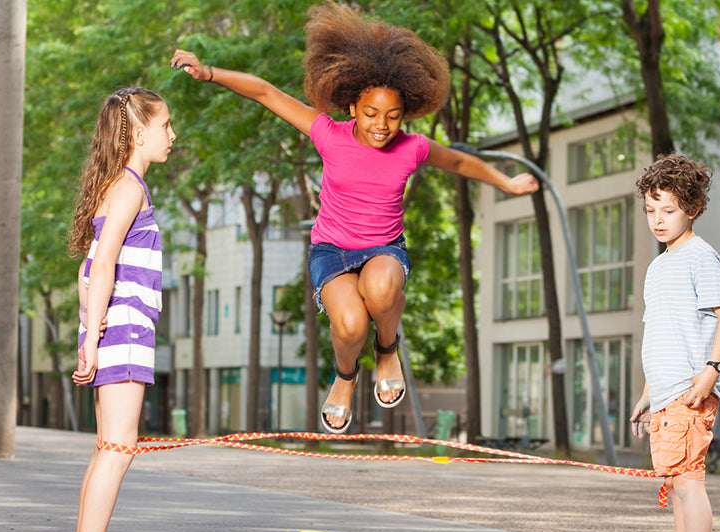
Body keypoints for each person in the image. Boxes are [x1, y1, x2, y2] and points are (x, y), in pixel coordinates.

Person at [170, 1, 538, 434]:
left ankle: (387, 350)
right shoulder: (328, 134)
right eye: (371, 113)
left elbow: (459, 163)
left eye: (393, 116)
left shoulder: (412, 147)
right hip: (331, 252)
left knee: (381, 290)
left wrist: (507, 183)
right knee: (348, 326)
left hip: (384, 250)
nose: (382, 125)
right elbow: (267, 92)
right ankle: (345, 378)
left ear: (406, 115)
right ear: (352, 108)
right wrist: (208, 72)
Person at [64, 86, 175, 532]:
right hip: (125, 328)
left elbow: (87, 272)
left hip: (116, 327)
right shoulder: (129, 187)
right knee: (117, 449)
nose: (172, 135)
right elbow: (102, 264)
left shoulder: (117, 185)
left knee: (109, 448)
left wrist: (89, 331)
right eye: (166, 125)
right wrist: (92, 336)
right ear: (139, 131)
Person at [629, 153, 720, 532]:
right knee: (678, 484)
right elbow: (661, 335)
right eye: (651, 210)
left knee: (690, 483)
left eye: (668, 210)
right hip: (667, 393)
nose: (658, 220)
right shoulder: (659, 266)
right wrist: (647, 395)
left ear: (692, 208)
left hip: (692, 390)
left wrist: (711, 370)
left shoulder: (699, 255)